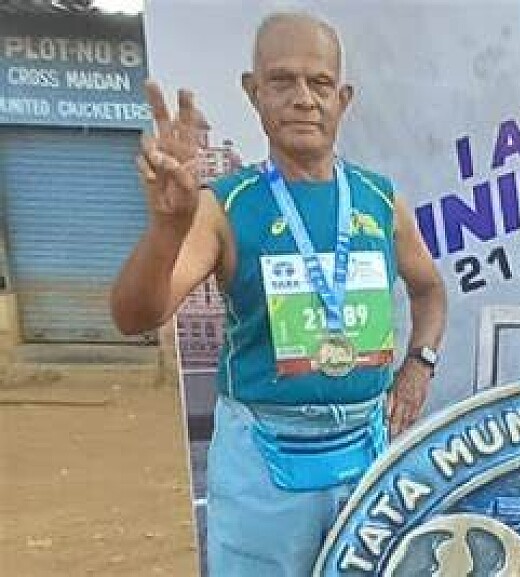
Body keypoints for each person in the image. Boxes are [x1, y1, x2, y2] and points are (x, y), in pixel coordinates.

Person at [110, 12, 447, 576]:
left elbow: (431, 291)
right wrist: (168, 228)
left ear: (342, 98)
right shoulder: (225, 205)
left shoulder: (379, 199)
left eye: (319, 84)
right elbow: (136, 315)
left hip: (366, 449)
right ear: (254, 91)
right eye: (282, 81)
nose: (303, 99)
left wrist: (420, 363)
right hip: (263, 462)